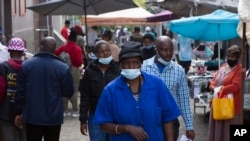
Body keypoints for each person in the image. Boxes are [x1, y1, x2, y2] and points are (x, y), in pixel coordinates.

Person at [93, 41, 181, 141]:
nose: (131, 67)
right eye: (126, 63)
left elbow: (168, 117)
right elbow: (103, 124)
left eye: (135, 63)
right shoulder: (110, 90)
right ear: (120, 65)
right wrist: (125, 128)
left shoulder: (157, 84)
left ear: (141, 64)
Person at [14, 36, 74, 141]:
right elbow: (69, 92)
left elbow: (20, 92)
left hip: (32, 116)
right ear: (55, 49)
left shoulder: (26, 65)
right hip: (54, 117)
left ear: (40, 47)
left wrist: (18, 112)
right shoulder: (62, 67)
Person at [142, 36, 195, 141]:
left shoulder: (178, 70)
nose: (168, 53)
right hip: (148, 121)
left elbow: (184, 100)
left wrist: (189, 126)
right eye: (164, 50)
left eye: (171, 49)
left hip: (171, 121)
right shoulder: (143, 67)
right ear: (156, 50)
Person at [79, 40, 121, 141]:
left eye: (107, 50)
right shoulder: (90, 72)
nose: (105, 53)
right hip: (96, 116)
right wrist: (83, 120)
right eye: (102, 51)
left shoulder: (118, 70)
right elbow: (85, 96)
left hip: (115, 115)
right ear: (96, 54)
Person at [208, 45, 242, 141]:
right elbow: (214, 79)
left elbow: (236, 86)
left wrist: (219, 89)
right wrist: (212, 86)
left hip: (231, 105)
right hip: (218, 103)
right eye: (228, 56)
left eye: (232, 57)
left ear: (237, 57)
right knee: (217, 128)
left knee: (229, 131)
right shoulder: (223, 66)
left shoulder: (240, 69)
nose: (230, 59)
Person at [0, 37, 26, 141]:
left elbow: (1, 91)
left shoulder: (3, 67)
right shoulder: (28, 66)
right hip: (25, 112)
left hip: (6, 111)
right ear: (22, 52)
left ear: (9, 51)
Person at [55, 28, 83, 118]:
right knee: (74, 89)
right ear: (75, 40)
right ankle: (75, 111)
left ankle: (64, 111)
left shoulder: (63, 48)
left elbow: (56, 54)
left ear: (68, 39)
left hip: (62, 70)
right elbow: (79, 61)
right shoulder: (78, 48)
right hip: (74, 70)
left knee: (63, 89)